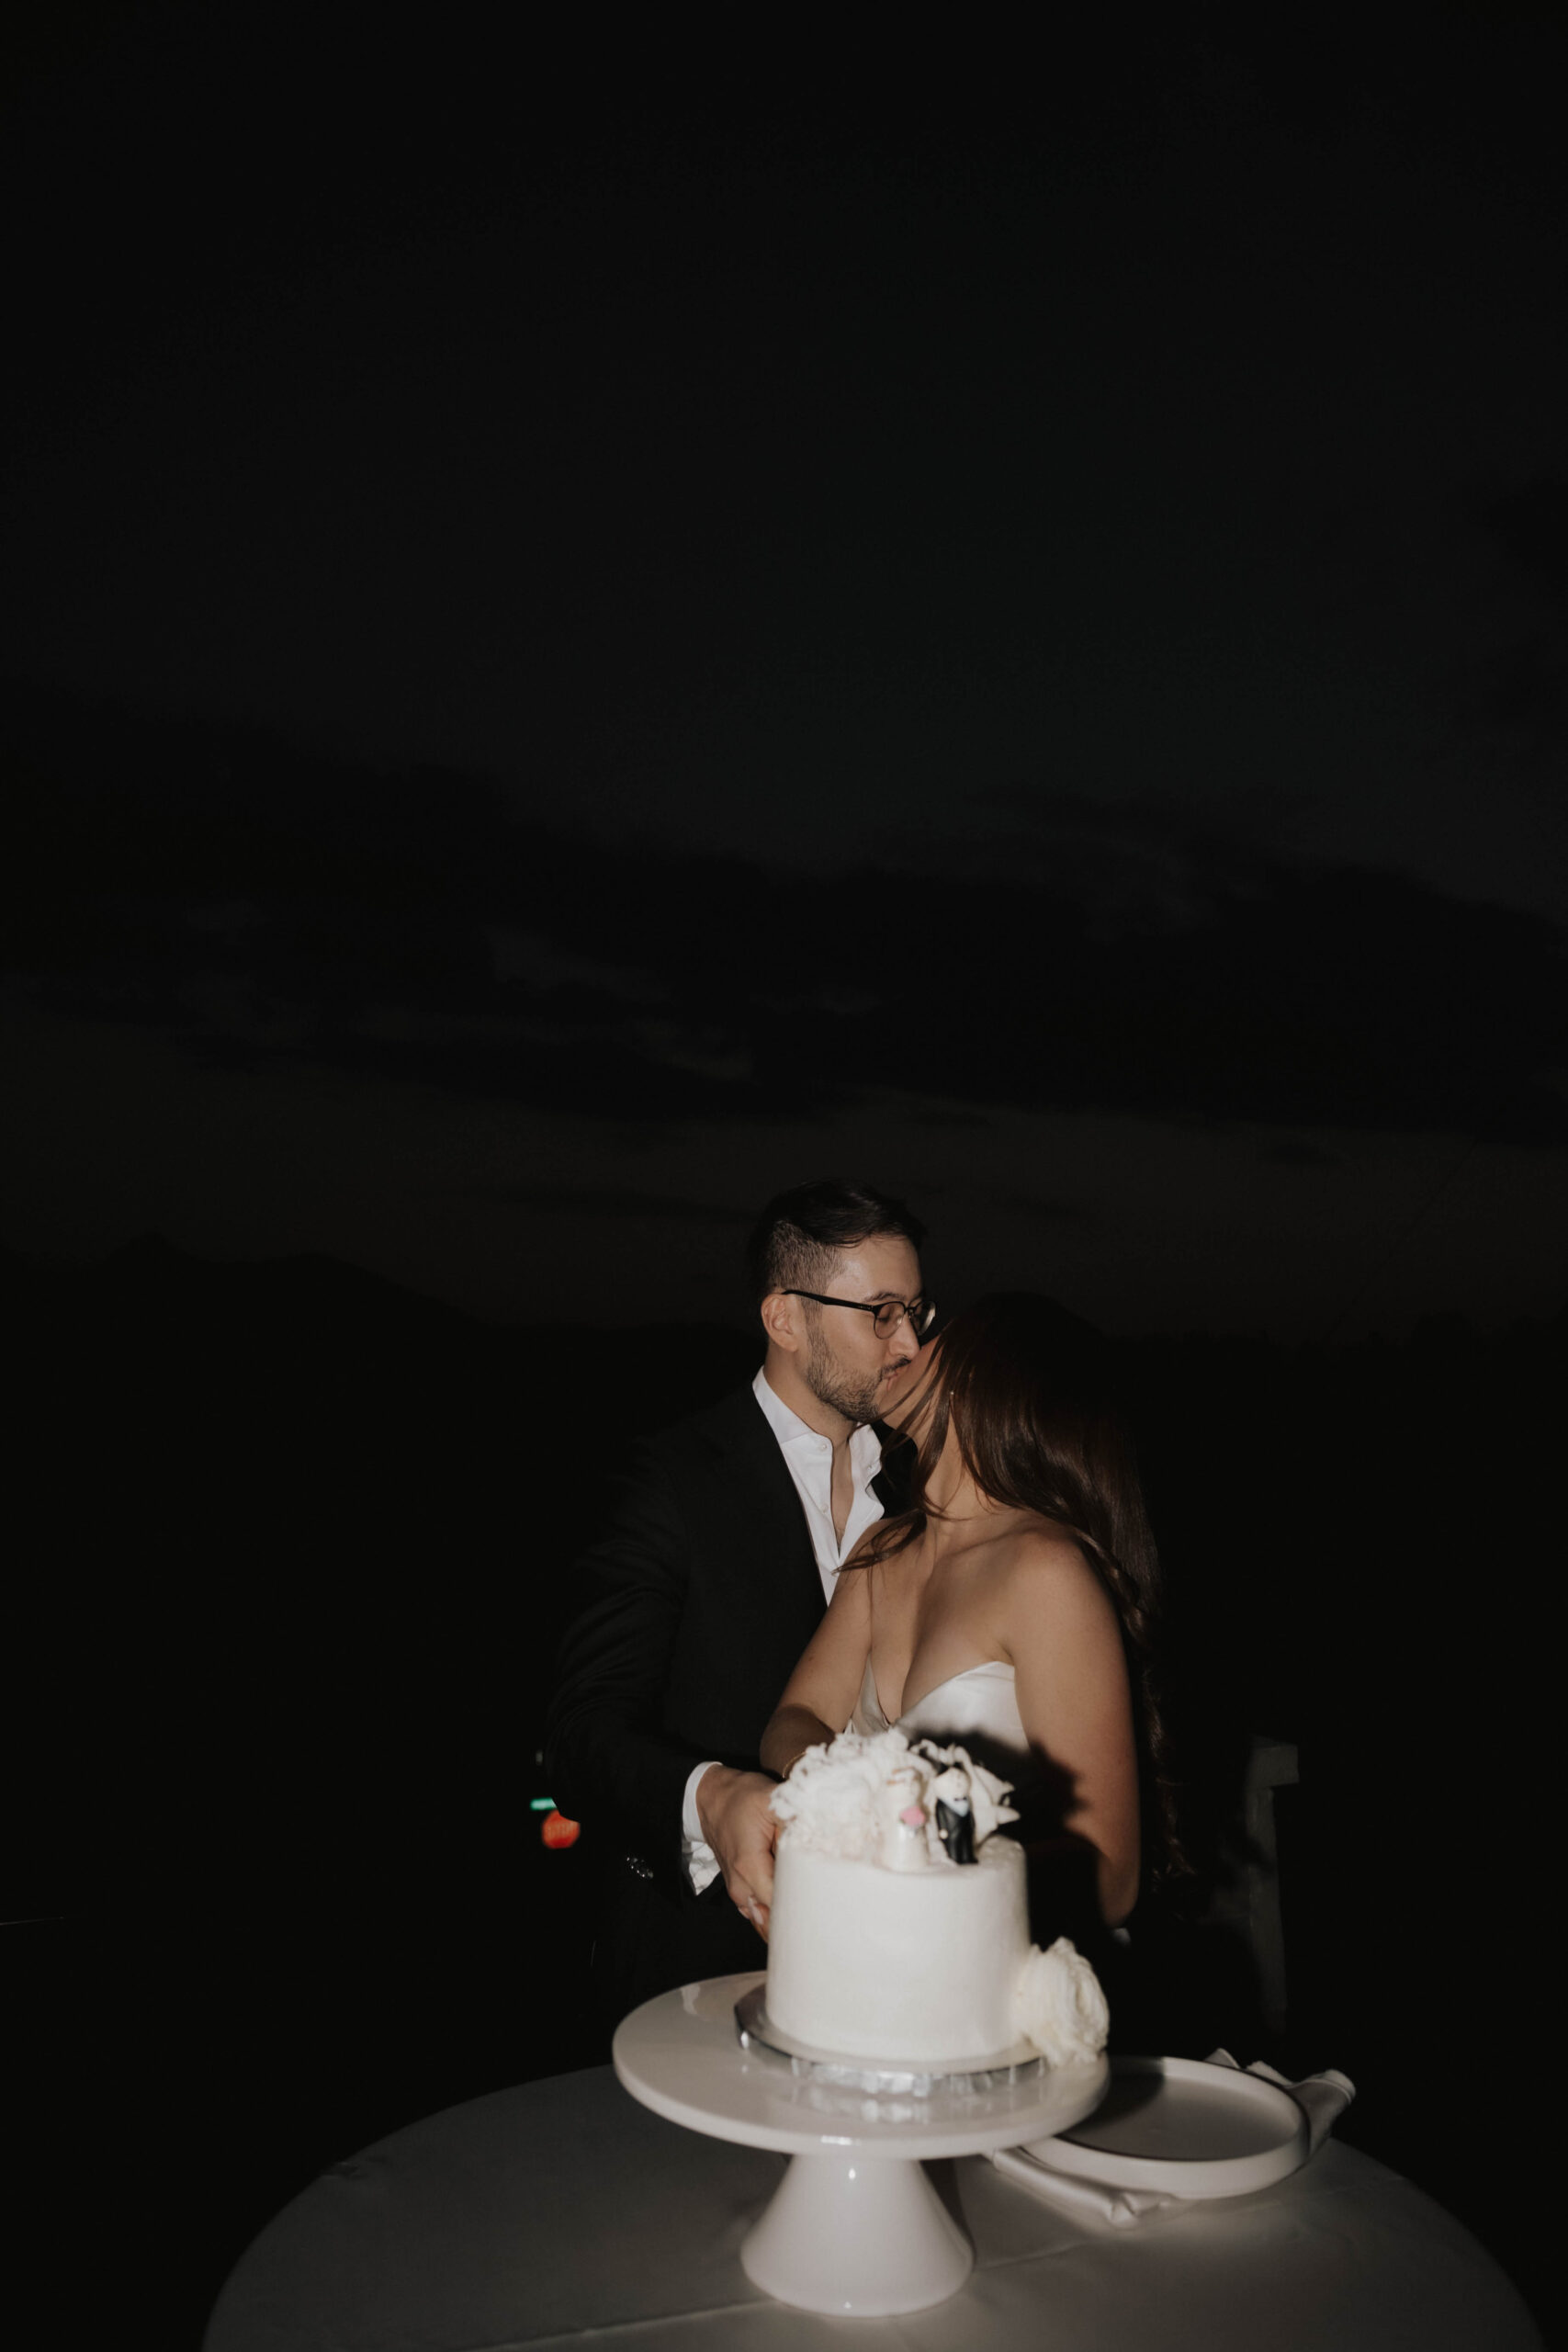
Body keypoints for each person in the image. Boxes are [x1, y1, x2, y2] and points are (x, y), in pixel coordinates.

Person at [546, 1178, 931, 2020]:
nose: (908, 1342)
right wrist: (712, 1796)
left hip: (904, 1959)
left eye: (916, 1313)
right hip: (700, 1966)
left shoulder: (926, 1485)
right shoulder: (670, 1480)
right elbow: (581, 1733)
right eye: (880, 1312)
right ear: (784, 1319)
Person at [760, 1294, 1179, 1947]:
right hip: (873, 1952)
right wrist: (861, 1806)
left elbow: (1113, 1875)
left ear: (987, 1380)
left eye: (935, 1340)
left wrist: (930, 1878)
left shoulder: (1041, 1570)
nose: (902, 1348)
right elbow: (790, 1722)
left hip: (1007, 1971)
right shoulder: (880, 1552)